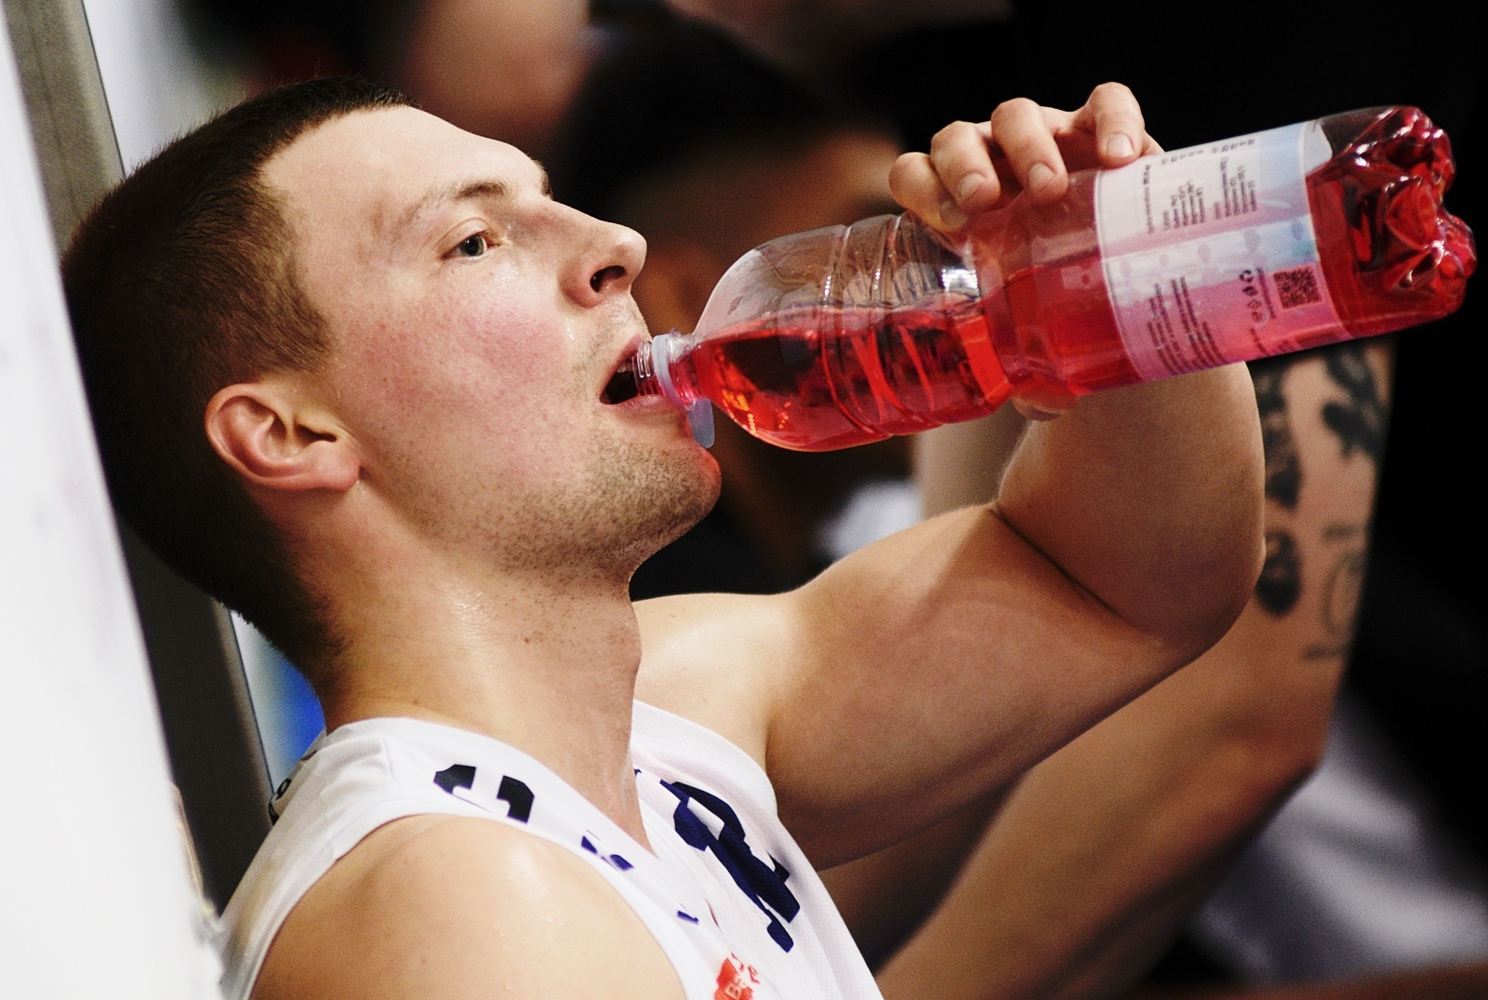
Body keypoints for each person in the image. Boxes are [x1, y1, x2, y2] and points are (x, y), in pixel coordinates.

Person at [63, 76, 1264, 1000]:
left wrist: (1109, 262)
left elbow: (1121, 581)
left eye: (552, 199)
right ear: (290, 434)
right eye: (474, 240)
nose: (616, 246)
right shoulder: (462, 902)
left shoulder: (666, 717)